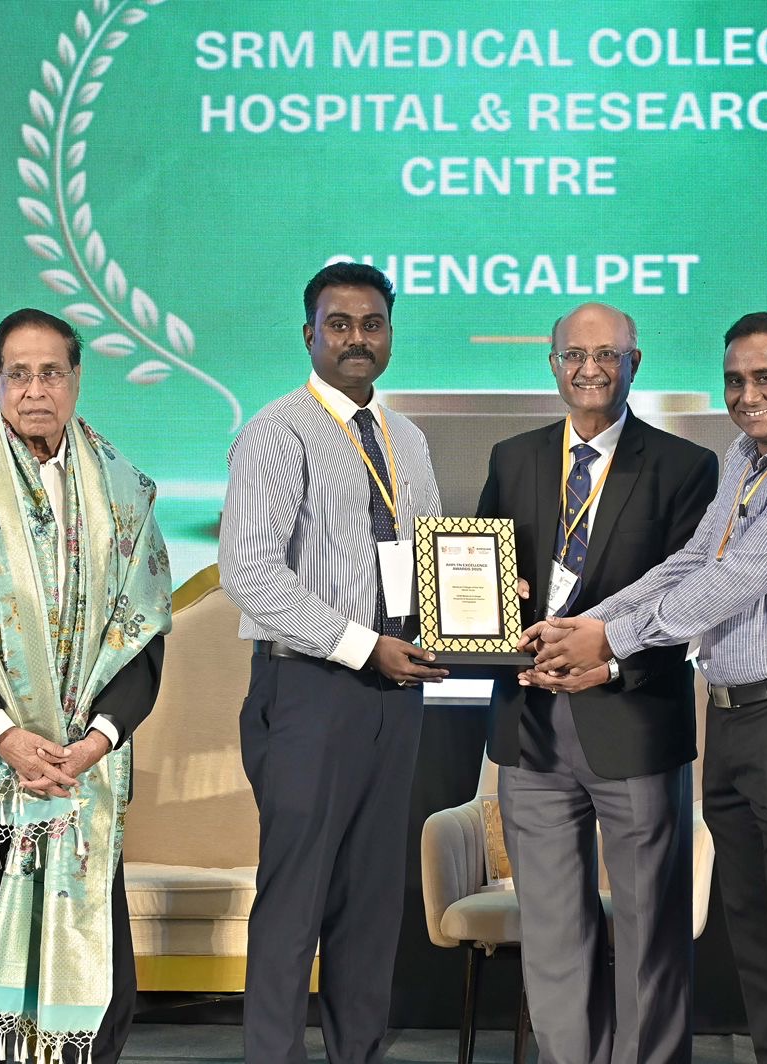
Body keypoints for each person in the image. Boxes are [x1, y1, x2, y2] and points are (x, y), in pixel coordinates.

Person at [523, 312, 767, 1064]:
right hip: (735, 717)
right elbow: (690, 563)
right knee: (755, 937)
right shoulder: (746, 455)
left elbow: (733, 581)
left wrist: (610, 640)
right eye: (736, 381)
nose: (749, 395)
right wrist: (587, 621)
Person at [0, 308, 170, 1064]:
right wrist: (5, 737)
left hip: (81, 769)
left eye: (51, 373)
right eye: (19, 374)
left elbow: (144, 628)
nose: (34, 390)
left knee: (94, 954)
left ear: (76, 379)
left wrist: (96, 741)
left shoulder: (123, 486)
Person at [475, 302, 717, 1064]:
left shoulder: (685, 467)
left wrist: (610, 662)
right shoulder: (512, 459)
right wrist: (497, 616)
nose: (590, 369)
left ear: (634, 364)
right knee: (552, 939)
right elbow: (479, 584)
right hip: (531, 727)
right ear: (552, 364)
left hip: (632, 721)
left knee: (650, 941)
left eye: (607, 355)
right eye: (575, 355)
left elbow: (689, 603)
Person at [220, 262, 445, 1064]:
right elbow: (250, 571)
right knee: (295, 901)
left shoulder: (407, 439)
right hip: (309, 688)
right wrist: (360, 644)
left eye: (372, 324)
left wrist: (481, 604)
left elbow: (429, 556)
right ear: (309, 333)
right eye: (339, 324)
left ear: (390, 334)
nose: (357, 339)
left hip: (395, 692)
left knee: (372, 900)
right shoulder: (278, 431)